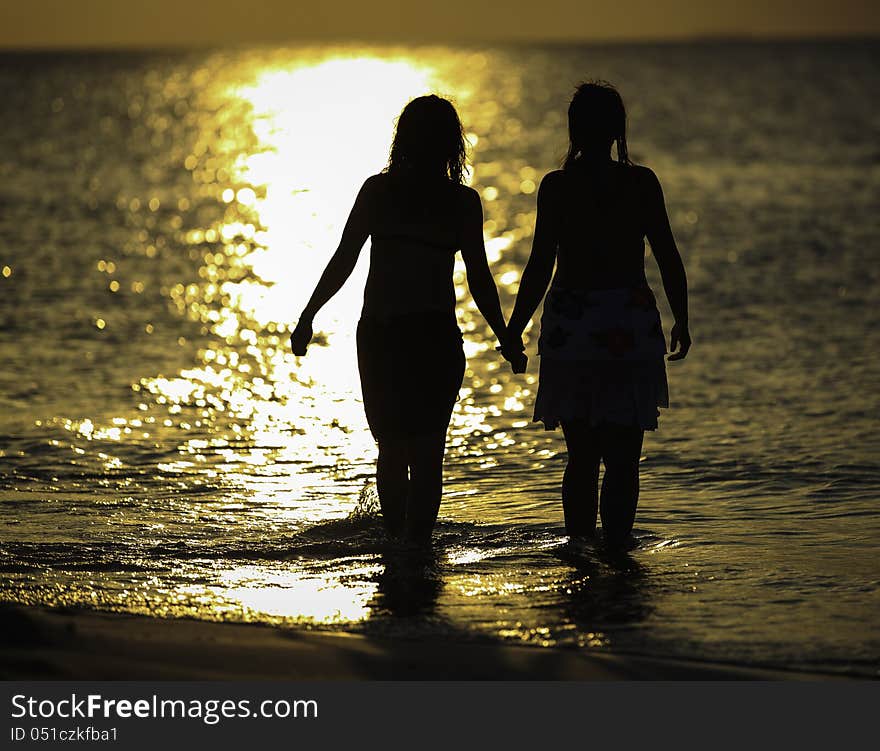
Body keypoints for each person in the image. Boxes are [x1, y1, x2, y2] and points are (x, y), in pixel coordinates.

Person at [290, 95, 516, 547]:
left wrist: (308, 316)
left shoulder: (382, 192)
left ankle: (400, 550)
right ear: (453, 144)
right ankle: (413, 550)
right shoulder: (455, 201)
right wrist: (505, 335)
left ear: (403, 139)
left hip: (387, 335)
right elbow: (480, 279)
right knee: (426, 452)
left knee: (393, 450)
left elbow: (344, 261)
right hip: (422, 337)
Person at [502, 81, 691, 547]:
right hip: (628, 322)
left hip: (574, 327)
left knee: (581, 456)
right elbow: (667, 255)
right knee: (625, 458)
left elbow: (540, 265)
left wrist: (514, 327)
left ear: (574, 130)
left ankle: (581, 555)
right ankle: (619, 558)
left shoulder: (558, 187)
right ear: (616, 130)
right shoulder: (640, 183)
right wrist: (681, 318)